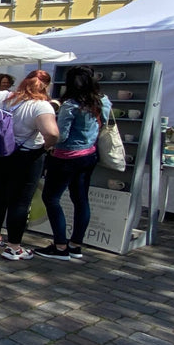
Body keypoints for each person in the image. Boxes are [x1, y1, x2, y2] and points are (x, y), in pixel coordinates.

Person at [0, 69, 59, 260]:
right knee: (20, 201)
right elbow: (52, 133)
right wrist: (45, 148)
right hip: (26, 156)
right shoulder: (41, 106)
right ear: (46, 86)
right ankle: (14, 247)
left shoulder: (3, 97)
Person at [37, 66, 111, 260]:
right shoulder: (103, 101)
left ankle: (60, 246)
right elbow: (103, 124)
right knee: (81, 199)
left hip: (65, 158)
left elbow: (61, 136)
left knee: (51, 198)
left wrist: (45, 143)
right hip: (89, 155)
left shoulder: (70, 105)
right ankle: (76, 245)